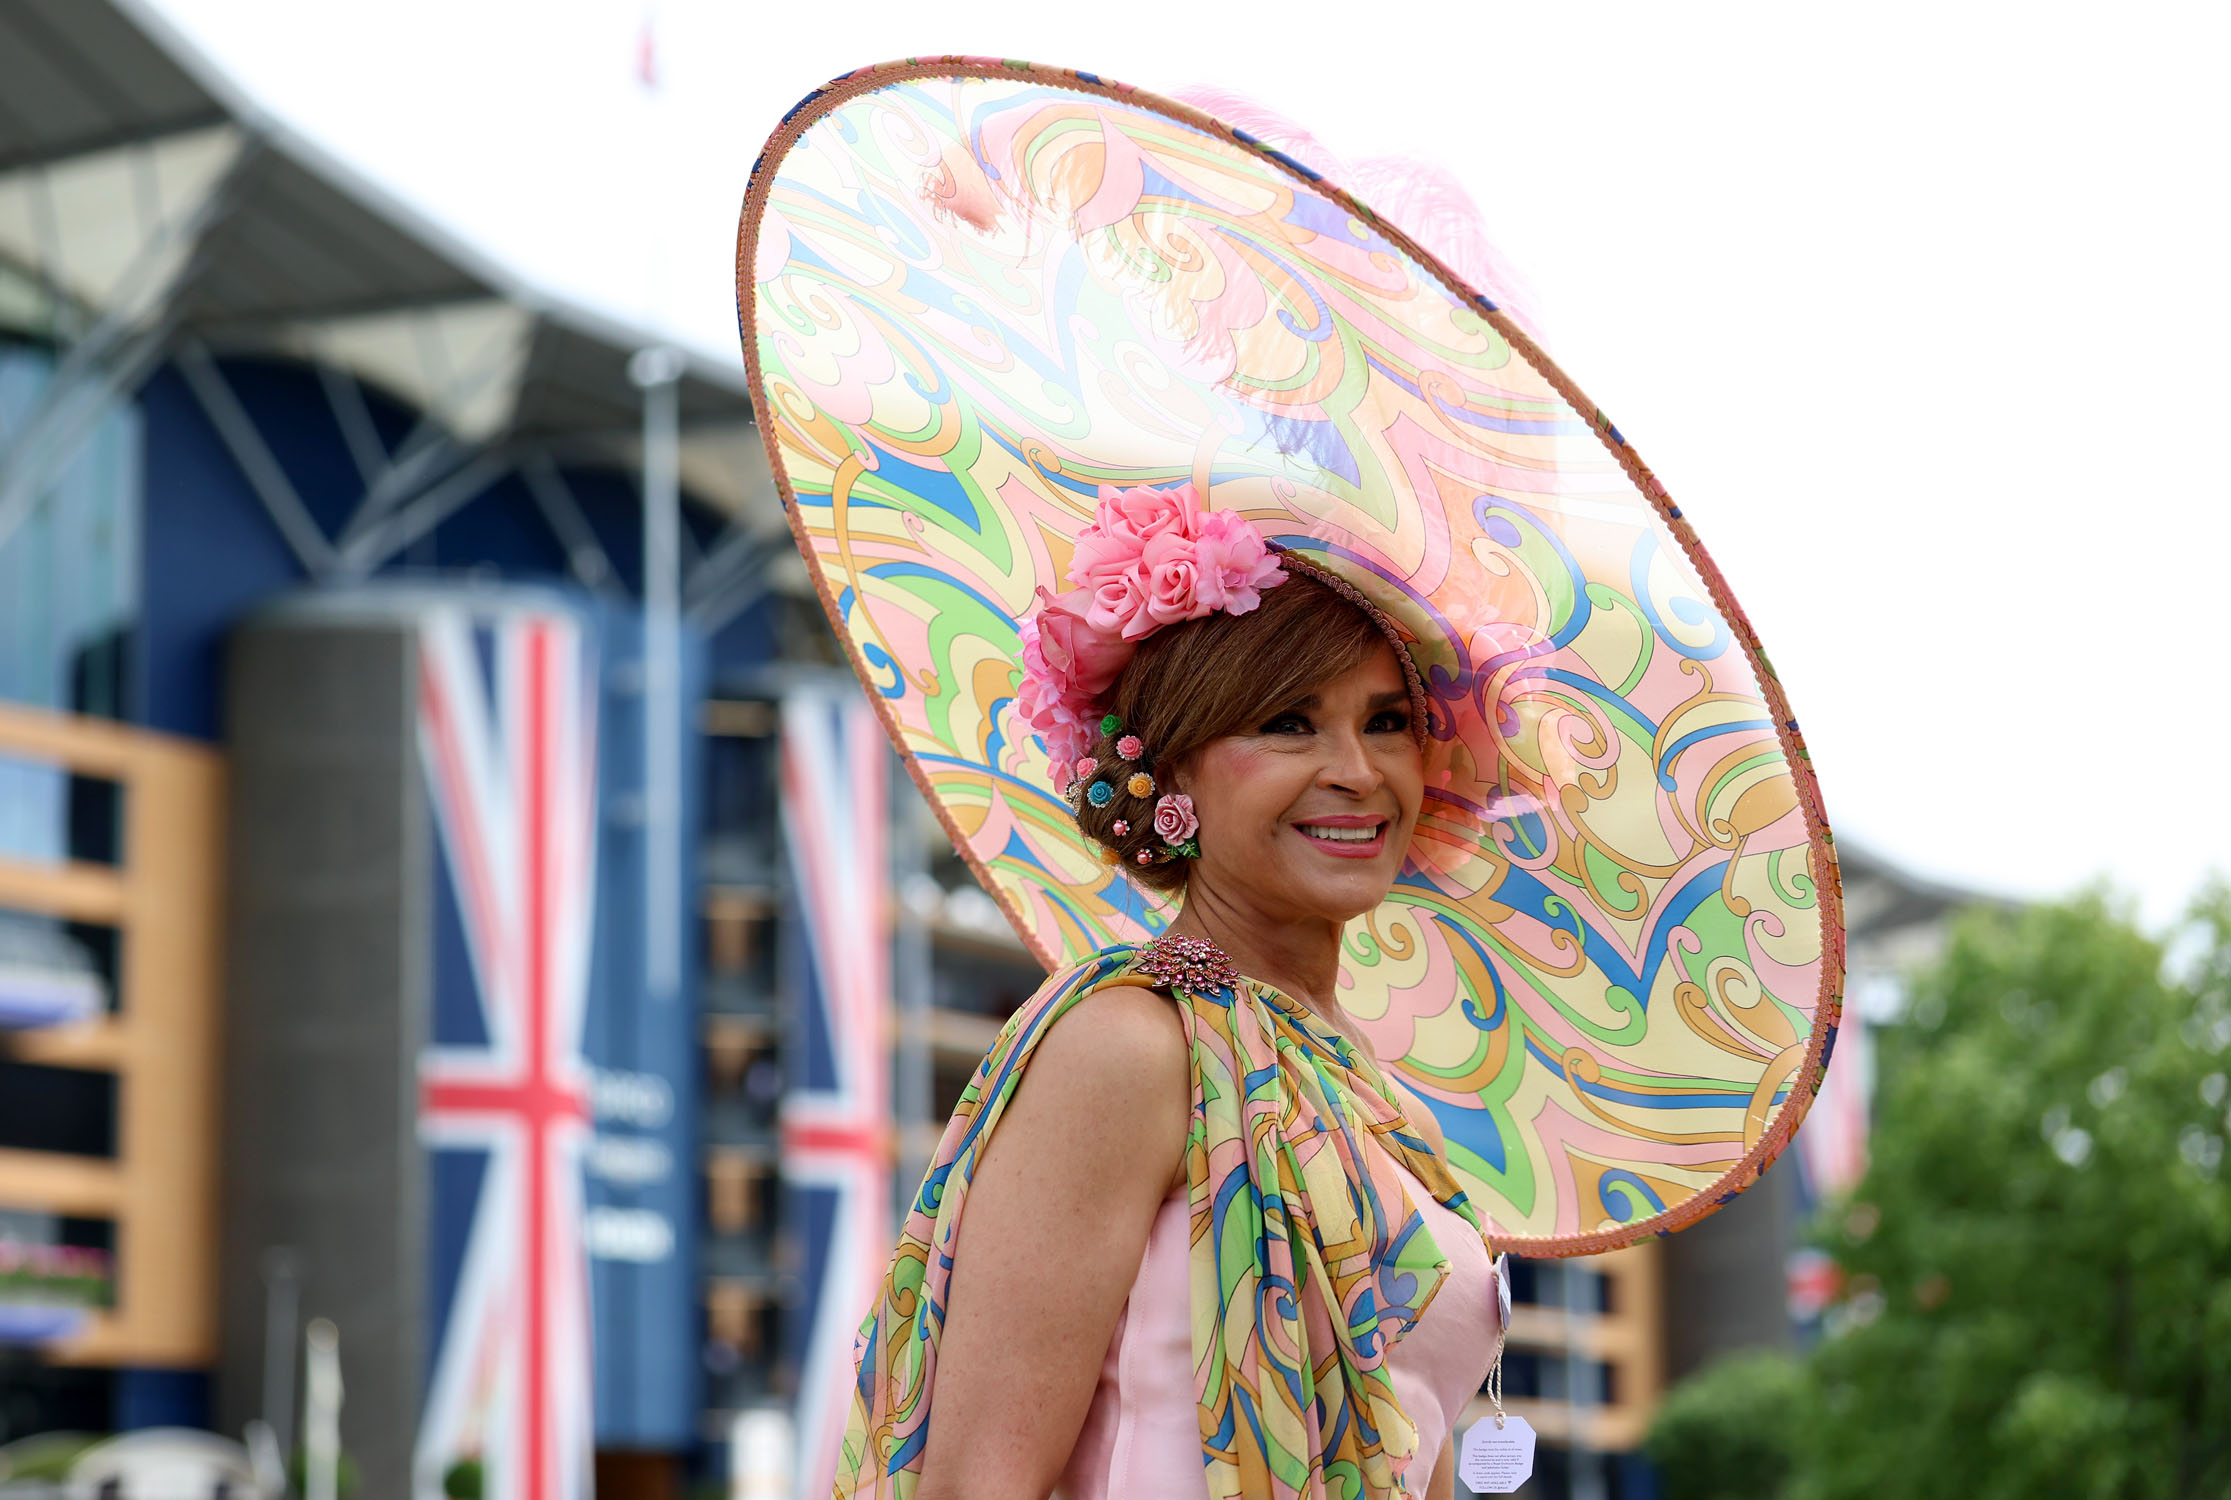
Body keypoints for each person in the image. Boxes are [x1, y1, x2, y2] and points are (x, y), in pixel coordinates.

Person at [843, 485, 1501, 1500]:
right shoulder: (1131, 1047)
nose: (1357, 772)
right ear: (1173, 769)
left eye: (1387, 722)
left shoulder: (1377, 1097)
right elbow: (976, 1481)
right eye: (1288, 723)